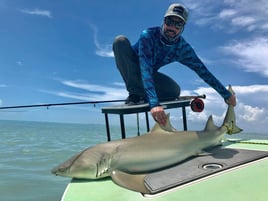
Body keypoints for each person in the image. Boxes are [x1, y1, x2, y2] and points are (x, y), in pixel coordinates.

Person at [112, 3, 236, 126]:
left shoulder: (183, 49)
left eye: (178, 24)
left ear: (183, 27)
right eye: (169, 22)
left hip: (150, 75)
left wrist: (225, 95)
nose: (172, 27)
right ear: (164, 21)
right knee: (120, 41)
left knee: (174, 91)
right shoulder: (148, 36)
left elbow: (203, 71)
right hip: (133, 68)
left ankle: (142, 94)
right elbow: (145, 69)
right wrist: (154, 104)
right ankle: (135, 93)